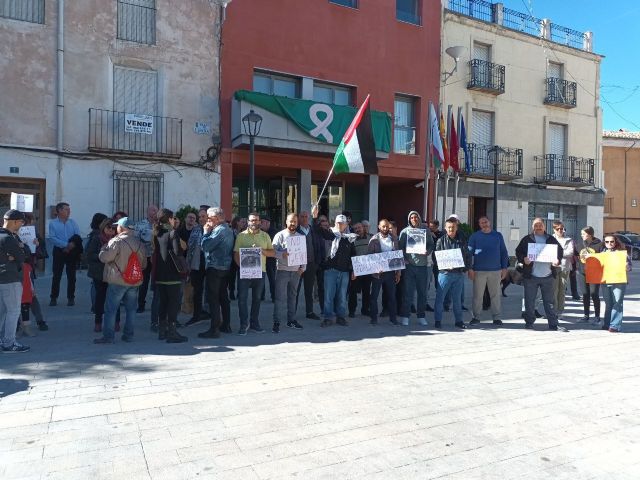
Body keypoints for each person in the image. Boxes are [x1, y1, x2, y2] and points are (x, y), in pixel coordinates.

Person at [95, 217, 147, 344]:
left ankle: (108, 337)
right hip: (134, 281)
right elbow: (144, 264)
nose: (116, 228)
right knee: (131, 310)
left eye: (117, 226)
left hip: (118, 281)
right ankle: (128, 335)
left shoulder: (116, 241)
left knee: (111, 310)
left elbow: (105, 258)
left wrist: (102, 250)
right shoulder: (140, 243)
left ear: (122, 228)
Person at [515, 217, 564, 331]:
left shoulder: (551, 239)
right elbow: (518, 251)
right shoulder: (527, 239)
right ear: (532, 227)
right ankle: (529, 323)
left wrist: (557, 260)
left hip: (548, 275)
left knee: (549, 302)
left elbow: (559, 251)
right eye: (536, 225)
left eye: (540, 224)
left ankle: (553, 324)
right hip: (531, 276)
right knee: (529, 301)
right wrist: (523, 259)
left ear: (544, 226)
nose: (538, 226)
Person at [312, 207, 356, 327]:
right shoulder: (331, 234)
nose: (341, 225)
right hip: (330, 270)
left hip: (345, 271)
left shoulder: (350, 238)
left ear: (346, 224)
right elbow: (318, 231)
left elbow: (353, 255)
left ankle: (340, 317)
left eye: (343, 223)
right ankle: (327, 317)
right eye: (338, 223)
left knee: (342, 297)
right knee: (328, 296)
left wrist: (354, 270)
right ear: (335, 223)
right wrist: (315, 217)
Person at [234, 212, 275, 335]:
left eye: (256, 220)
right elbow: (236, 254)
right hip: (245, 272)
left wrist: (263, 251)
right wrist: (242, 267)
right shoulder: (241, 236)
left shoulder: (265, 236)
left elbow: (272, 253)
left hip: (260, 272)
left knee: (257, 299)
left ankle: (254, 323)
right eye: (251, 220)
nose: (254, 222)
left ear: (260, 222)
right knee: (242, 299)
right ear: (248, 221)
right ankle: (243, 324)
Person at [151, 209, 188, 343]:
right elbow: (177, 252)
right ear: (170, 219)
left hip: (160, 274)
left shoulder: (157, 233)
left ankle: (162, 331)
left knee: (163, 303)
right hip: (173, 274)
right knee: (173, 303)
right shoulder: (173, 233)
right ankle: (172, 332)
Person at [198, 207, 234, 339]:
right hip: (225, 268)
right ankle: (226, 325)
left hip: (215, 267)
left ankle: (214, 329)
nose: (207, 221)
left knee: (213, 299)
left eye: (209, 218)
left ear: (217, 218)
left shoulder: (219, 230)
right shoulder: (228, 229)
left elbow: (206, 246)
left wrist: (206, 232)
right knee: (223, 296)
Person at [467, 216, 509, 326]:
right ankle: (476, 317)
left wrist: (504, 268)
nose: (484, 224)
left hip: (495, 271)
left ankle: (497, 317)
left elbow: (504, 252)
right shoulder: (475, 236)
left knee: (495, 295)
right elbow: (468, 254)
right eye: (481, 223)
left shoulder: (498, 236)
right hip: (479, 271)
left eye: (485, 222)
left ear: (489, 222)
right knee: (478, 296)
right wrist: (470, 268)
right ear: (479, 225)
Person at [398, 211, 434, 326]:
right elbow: (400, 248)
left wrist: (427, 251)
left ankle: (421, 316)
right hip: (409, 266)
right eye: (412, 217)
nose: (414, 219)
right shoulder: (404, 232)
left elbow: (431, 244)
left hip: (423, 266)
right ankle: (405, 316)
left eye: (416, 217)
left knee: (422, 293)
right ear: (409, 219)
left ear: (419, 218)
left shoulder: (425, 231)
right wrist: (405, 258)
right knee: (408, 292)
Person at [434, 218, 472, 329]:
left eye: (453, 227)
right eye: (449, 227)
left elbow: (468, 255)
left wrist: (466, 268)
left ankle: (459, 321)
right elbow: (435, 256)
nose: (451, 229)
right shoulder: (441, 241)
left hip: (458, 274)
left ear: (456, 228)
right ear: (445, 228)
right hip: (444, 274)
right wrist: (444, 264)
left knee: (457, 300)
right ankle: (437, 320)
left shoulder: (462, 240)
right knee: (440, 298)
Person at [0, 209, 30, 353]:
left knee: (2, 311)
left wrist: (11, 256)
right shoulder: (9, 238)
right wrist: (18, 251)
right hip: (10, 279)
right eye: (21, 222)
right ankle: (9, 343)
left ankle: (3, 341)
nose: (22, 225)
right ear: (15, 222)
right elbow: (22, 257)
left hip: (3, 278)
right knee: (13, 311)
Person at [271, 213, 306, 333]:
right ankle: (276, 322)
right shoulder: (280, 235)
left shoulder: (300, 237)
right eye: (291, 221)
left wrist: (303, 268)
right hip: (283, 270)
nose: (293, 224)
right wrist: (282, 254)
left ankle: (291, 320)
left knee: (293, 297)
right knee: (279, 298)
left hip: (296, 272)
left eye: (295, 222)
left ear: (297, 223)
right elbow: (272, 251)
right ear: (286, 221)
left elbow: (303, 253)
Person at [368, 219, 401, 326]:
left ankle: (393, 318)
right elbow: (369, 257)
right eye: (383, 226)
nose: (385, 228)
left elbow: (397, 256)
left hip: (390, 273)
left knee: (392, 297)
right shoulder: (373, 240)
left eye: (387, 226)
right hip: (377, 273)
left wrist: (398, 272)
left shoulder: (394, 239)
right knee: (374, 296)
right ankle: (373, 318)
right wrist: (375, 268)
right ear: (379, 227)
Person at [48, 202, 81, 306]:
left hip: (72, 252)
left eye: (69, 209)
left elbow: (78, 235)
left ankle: (71, 298)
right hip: (59, 251)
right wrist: (65, 245)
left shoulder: (73, 222)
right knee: (57, 276)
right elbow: (52, 238)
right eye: (66, 209)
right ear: (59, 211)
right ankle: (53, 297)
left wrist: (71, 246)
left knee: (72, 276)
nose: (69, 211)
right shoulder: (53, 223)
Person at [86, 218, 116, 332]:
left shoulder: (117, 240)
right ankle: (98, 322)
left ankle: (116, 322)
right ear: (103, 227)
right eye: (109, 227)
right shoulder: (96, 239)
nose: (111, 230)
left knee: (114, 298)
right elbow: (89, 255)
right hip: (99, 273)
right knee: (100, 298)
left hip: (113, 273)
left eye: (113, 228)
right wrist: (102, 256)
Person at [600, 234, 632, 332]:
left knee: (617, 302)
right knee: (608, 303)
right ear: (604, 243)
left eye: (611, 241)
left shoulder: (622, 253)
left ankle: (614, 325)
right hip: (605, 281)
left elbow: (629, 266)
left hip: (618, 281)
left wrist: (627, 266)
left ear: (615, 242)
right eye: (607, 242)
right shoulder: (601, 253)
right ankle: (607, 323)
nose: (609, 243)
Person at [185, 208, 210, 327]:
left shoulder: (214, 229)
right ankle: (197, 314)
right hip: (197, 263)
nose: (201, 219)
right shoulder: (195, 229)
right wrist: (188, 265)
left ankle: (210, 313)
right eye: (199, 217)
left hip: (210, 263)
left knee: (211, 291)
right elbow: (190, 247)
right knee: (197, 290)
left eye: (203, 216)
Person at [297, 210, 323, 320]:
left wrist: (317, 263)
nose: (304, 218)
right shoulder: (295, 231)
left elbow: (318, 246)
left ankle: (310, 312)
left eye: (306, 216)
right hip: (297, 266)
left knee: (309, 290)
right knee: (295, 290)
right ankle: (292, 313)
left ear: (309, 218)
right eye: (302, 216)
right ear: (299, 218)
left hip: (311, 264)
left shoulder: (313, 231)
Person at [576, 226, 603, 326]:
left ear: (590, 234)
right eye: (581, 234)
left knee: (594, 294)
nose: (581, 235)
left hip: (595, 272)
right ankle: (586, 315)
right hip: (582, 272)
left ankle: (597, 317)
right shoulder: (579, 245)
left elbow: (602, 258)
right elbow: (575, 255)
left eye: (584, 234)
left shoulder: (599, 244)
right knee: (585, 294)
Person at [135, 204, 158, 313]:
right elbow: (135, 240)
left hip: (157, 258)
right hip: (144, 257)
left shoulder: (160, 225)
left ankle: (157, 303)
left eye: (156, 210)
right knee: (143, 282)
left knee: (157, 281)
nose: (154, 212)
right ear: (147, 212)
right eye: (152, 210)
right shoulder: (140, 225)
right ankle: (141, 304)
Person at [552, 221, 577, 318]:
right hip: (553, 267)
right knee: (554, 290)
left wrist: (557, 254)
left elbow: (570, 253)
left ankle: (560, 311)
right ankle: (553, 311)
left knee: (562, 290)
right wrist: (561, 253)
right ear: (554, 229)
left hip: (565, 267)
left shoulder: (569, 239)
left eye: (562, 228)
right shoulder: (551, 239)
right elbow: (548, 251)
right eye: (558, 229)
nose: (560, 231)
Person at [348, 222, 372, 318]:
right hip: (356, 270)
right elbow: (350, 255)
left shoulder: (371, 238)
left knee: (366, 291)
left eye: (359, 227)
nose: (358, 229)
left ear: (363, 228)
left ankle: (365, 310)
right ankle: (352, 311)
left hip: (368, 269)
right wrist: (352, 269)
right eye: (356, 228)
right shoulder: (351, 240)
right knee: (353, 292)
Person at [261, 217, 277, 302]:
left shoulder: (274, 232)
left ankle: (274, 296)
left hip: (270, 259)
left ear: (267, 223)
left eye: (262, 222)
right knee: (261, 278)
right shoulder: (260, 232)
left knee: (272, 278)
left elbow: (273, 246)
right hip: (262, 258)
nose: (260, 224)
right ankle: (261, 295)